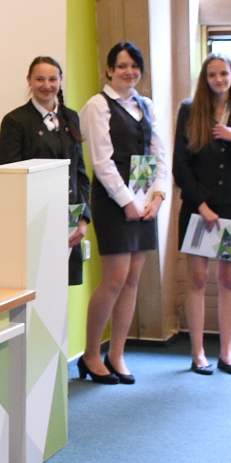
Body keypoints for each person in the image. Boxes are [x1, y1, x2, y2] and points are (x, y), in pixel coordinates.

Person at [78, 41, 169, 384]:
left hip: (144, 199)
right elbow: (101, 162)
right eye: (122, 66)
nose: (129, 72)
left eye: (134, 66)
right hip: (113, 201)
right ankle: (90, 355)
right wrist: (127, 202)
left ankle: (117, 354)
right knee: (114, 279)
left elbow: (158, 154)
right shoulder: (97, 106)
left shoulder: (146, 105)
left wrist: (157, 196)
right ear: (109, 70)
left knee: (132, 280)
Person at [174, 53, 231, 375]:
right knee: (198, 279)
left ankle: (227, 353)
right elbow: (180, 165)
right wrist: (201, 205)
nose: (218, 79)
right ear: (205, 78)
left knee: (228, 280)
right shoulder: (189, 110)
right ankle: (198, 353)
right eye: (212, 74)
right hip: (199, 208)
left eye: (224, 73)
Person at [0, 55, 91, 285]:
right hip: (34, 220)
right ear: (29, 80)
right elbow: (10, 178)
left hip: (68, 220)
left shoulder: (71, 118)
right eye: (40, 79)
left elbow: (80, 173)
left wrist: (84, 219)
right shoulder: (15, 121)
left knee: (61, 291)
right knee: (36, 288)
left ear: (60, 80)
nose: (47, 85)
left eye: (52, 79)